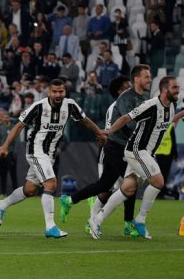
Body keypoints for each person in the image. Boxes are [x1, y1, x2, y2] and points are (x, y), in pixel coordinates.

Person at [0, 78, 106, 238]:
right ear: (49, 92)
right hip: (35, 150)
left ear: (64, 91)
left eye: (61, 91)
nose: (58, 94)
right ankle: (50, 226)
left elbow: (85, 121)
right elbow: (19, 125)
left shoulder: (70, 105)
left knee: (30, 189)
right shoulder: (38, 107)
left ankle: (1, 204)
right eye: (55, 91)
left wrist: (99, 133)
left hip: (50, 154)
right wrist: (5, 146)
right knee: (51, 183)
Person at [60, 65, 151, 236]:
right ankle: (96, 217)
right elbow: (115, 128)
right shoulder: (116, 106)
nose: (129, 87)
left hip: (125, 148)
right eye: (125, 86)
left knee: (119, 184)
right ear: (119, 91)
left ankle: (73, 200)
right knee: (114, 186)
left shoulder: (137, 99)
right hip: (115, 148)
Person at [89, 77, 180, 240]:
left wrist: (179, 116)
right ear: (164, 90)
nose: (178, 90)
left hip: (147, 153)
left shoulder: (171, 106)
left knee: (127, 189)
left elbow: (171, 118)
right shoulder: (150, 105)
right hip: (137, 150)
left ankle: (96, 219)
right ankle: (140, 219)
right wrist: (109, 132)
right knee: (158, 182)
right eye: (174, 88)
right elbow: (126, 118)